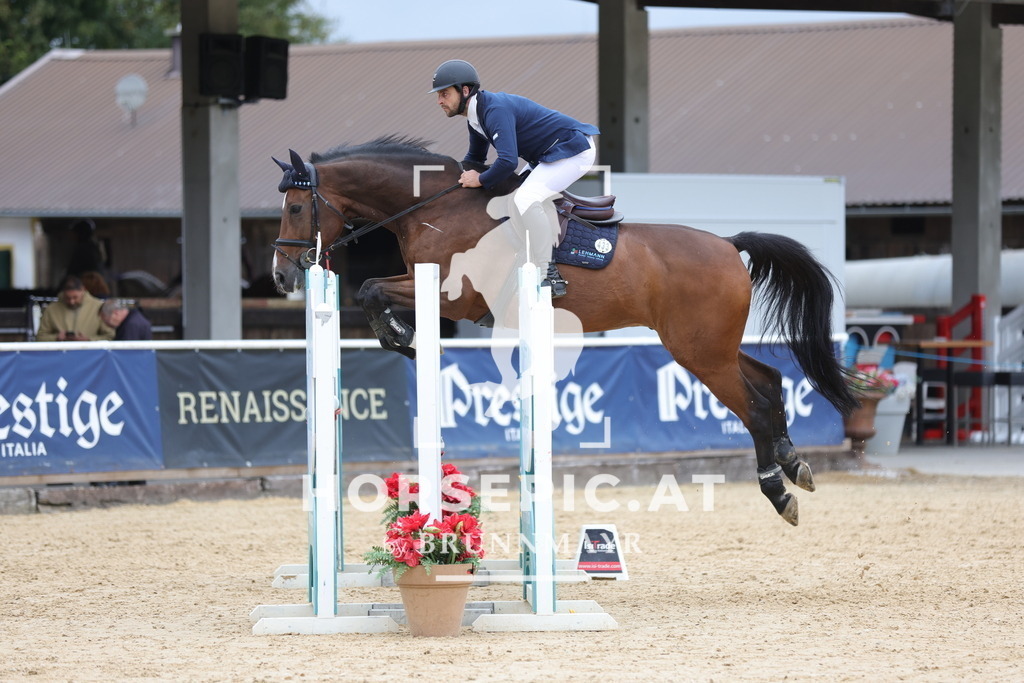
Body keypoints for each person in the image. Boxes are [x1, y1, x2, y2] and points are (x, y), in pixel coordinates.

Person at [431, 59, 599, 297]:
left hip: (574, 151)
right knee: (511, 193)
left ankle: (549, 274)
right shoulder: (475, 118)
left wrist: (480, 180)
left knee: (525, 199)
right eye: (439, 95)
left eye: (445, 94)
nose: (439, 101)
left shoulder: (494, 110)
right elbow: (475, 159)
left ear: (465, 90)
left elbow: (508, 161)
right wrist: (453, 182)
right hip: (548, 155)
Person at [35, 275, 115, 342]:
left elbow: (110, 336)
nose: (71, 301)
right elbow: (40, 337)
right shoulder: (51, 309)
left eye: (75, 297)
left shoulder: (98, 307)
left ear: (83, 290)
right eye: (67, 298)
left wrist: (89, 340)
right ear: (63, 293)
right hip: (60, 354)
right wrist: (56, 338)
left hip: (91, 354)